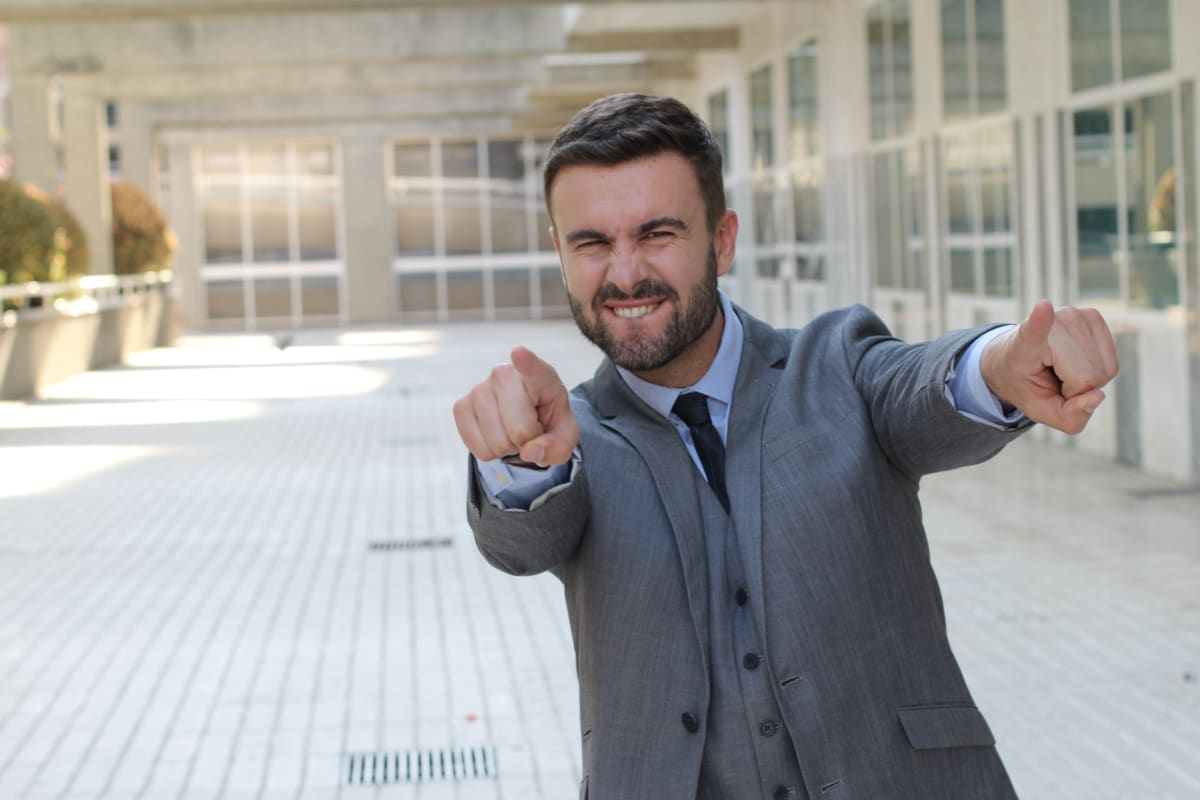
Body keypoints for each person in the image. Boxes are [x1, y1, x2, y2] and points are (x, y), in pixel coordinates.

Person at [452, 94, 1118, 800]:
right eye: (592, 243)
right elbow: (520, 543)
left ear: (723, 239)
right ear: (560, 253)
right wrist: (522, 459)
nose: (625, 274)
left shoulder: (836, 365)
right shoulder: (570, 438)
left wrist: (1005, 362)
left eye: (658, 233)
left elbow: (923, 385)